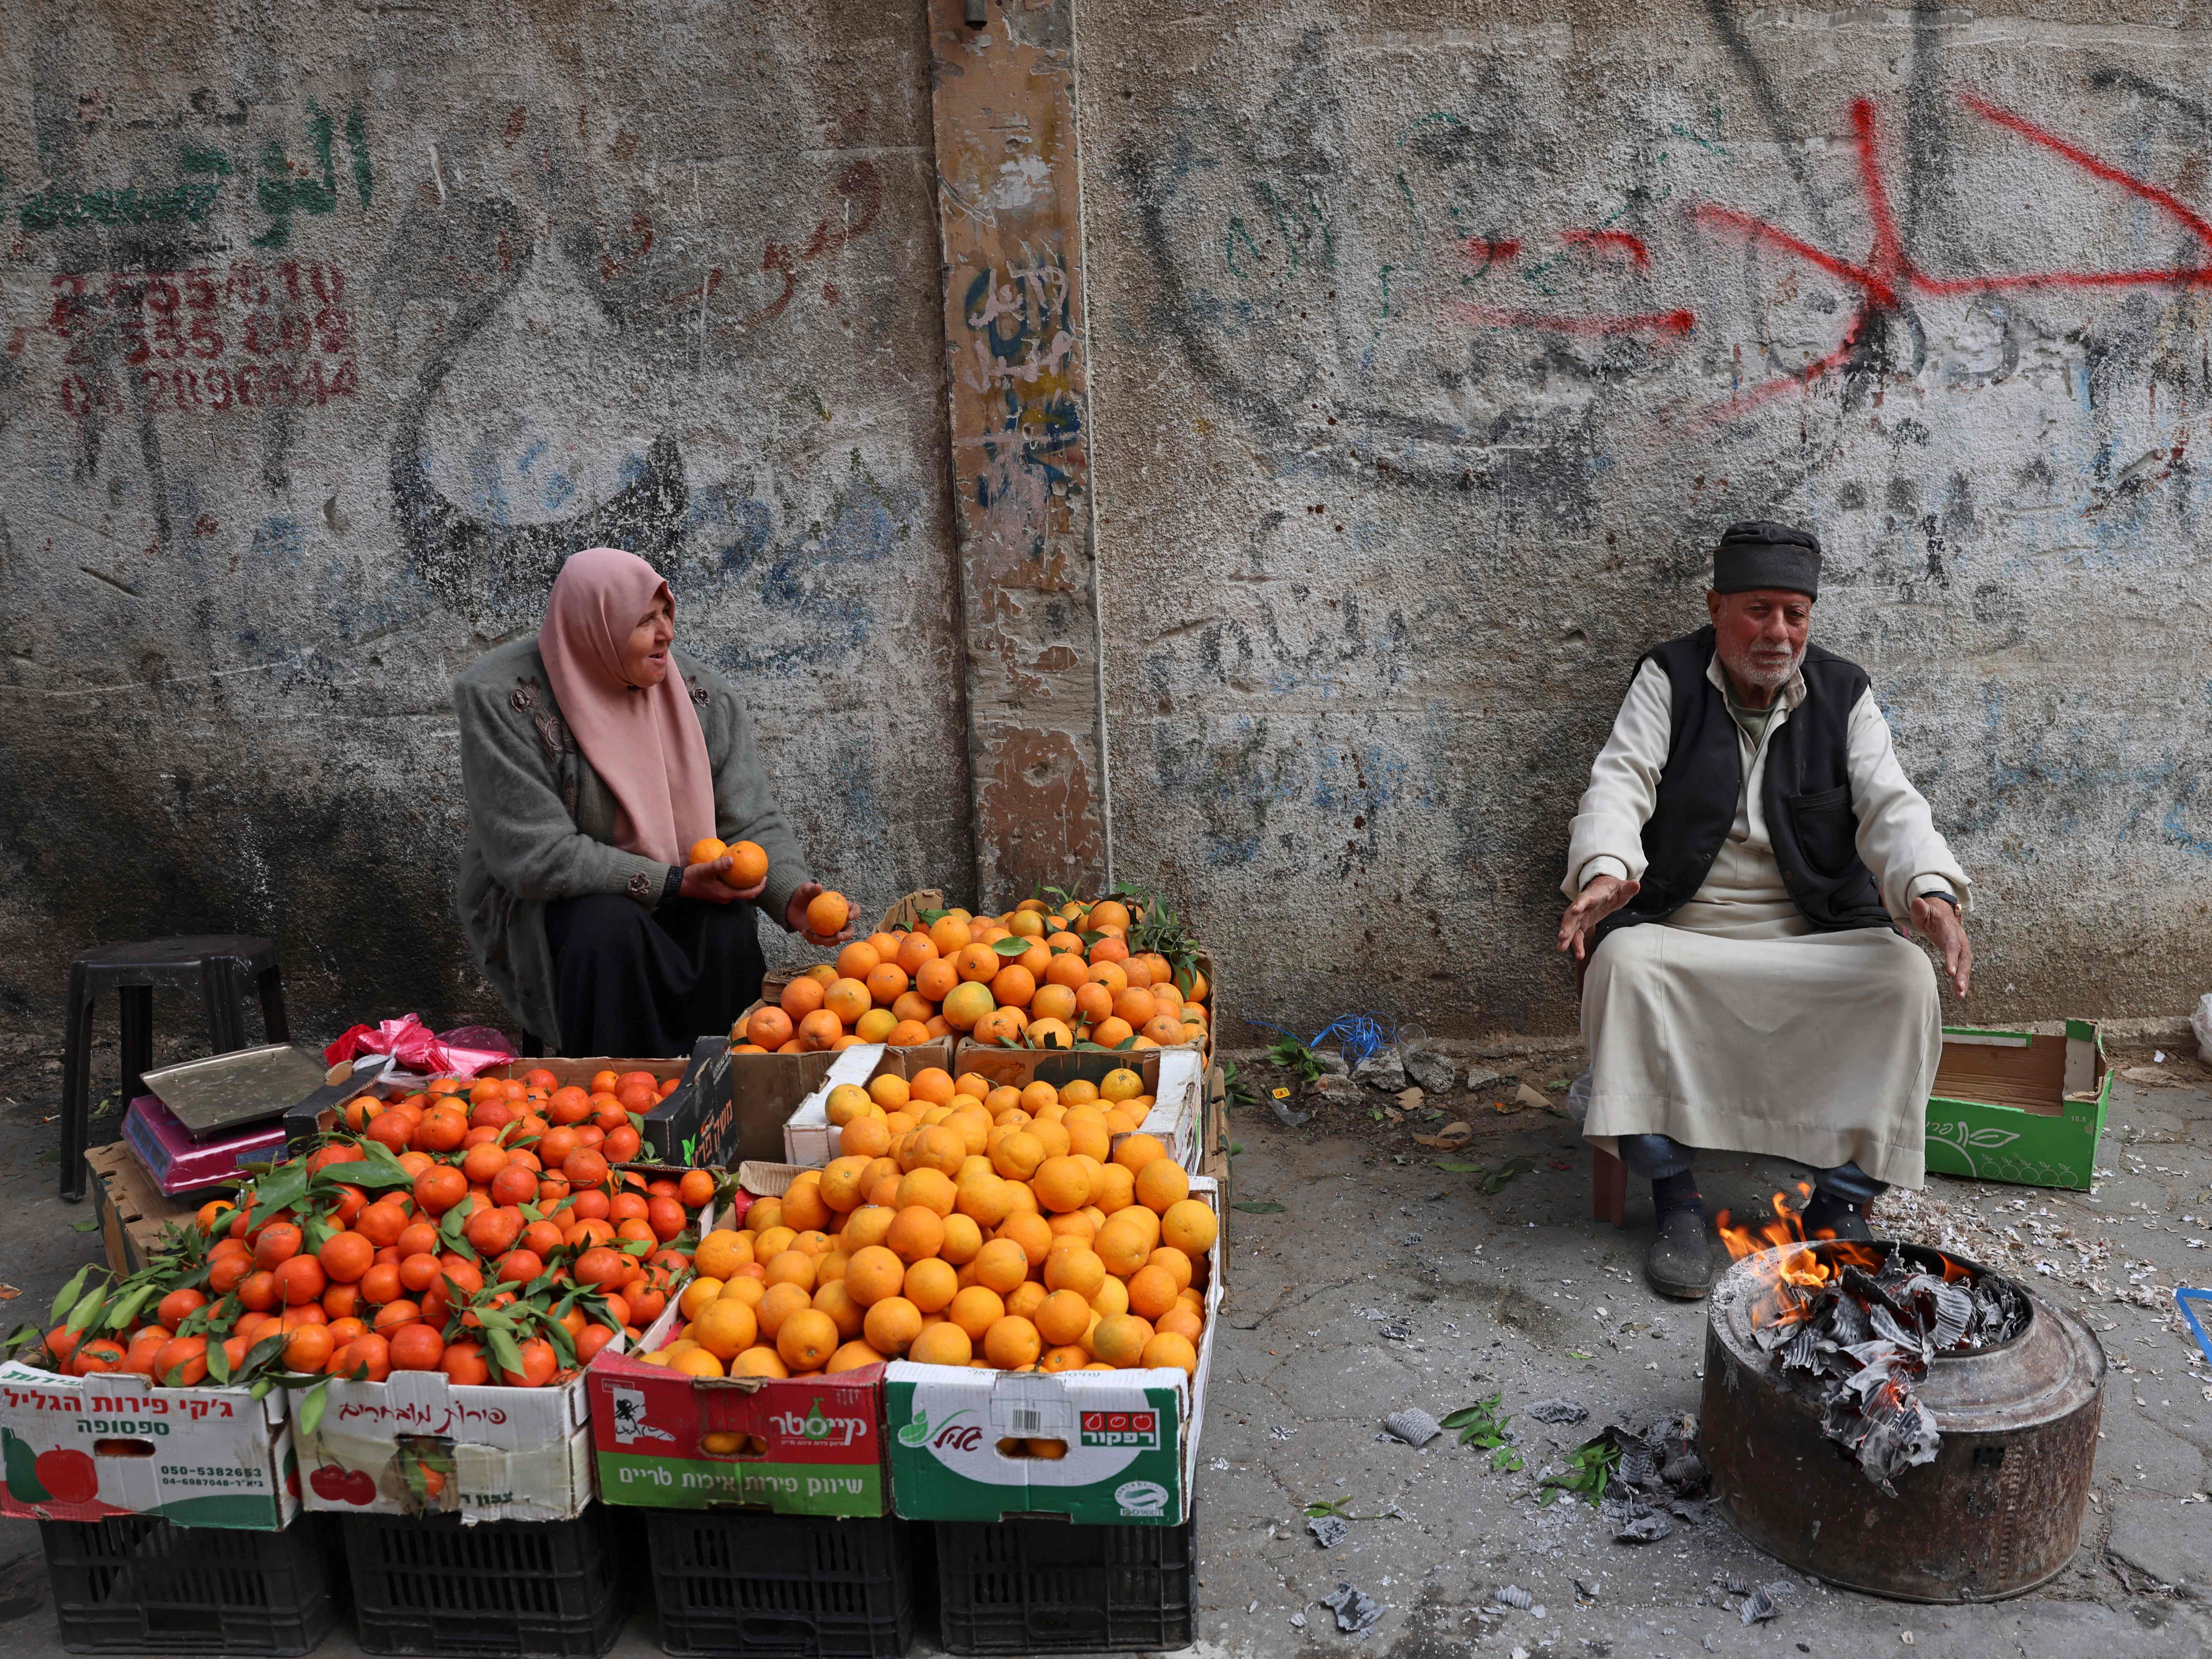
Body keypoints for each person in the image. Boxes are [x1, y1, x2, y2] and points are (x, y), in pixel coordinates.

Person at [1555, 521, 1972, 1300]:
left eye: (1794, 613)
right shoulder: (1668, 678)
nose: (1777, 633)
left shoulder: (1844, 692)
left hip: (1813, 931)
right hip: (1689, 928)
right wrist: (1608, 868)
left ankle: (1840, 1206)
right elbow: (1620, 782)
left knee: (1903, 979)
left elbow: (1892, 805)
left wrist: (1930, 891)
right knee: (1622, 964)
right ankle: (1676, 1199)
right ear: (1715, 607)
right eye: (1757, 610)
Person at [453, 546, 851, 1057]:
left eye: (666, 612)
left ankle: (726, 1093)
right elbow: (534, 856)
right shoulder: (502, 698)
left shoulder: (699, 695)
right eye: (645, 620)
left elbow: (749, 818)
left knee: (725, 925)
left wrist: (788, 893)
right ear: (596, 626)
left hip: (689, 886)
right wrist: (673, 882)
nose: (667, 633)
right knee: (607, 924)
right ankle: (613, 1103)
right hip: (557, 906)